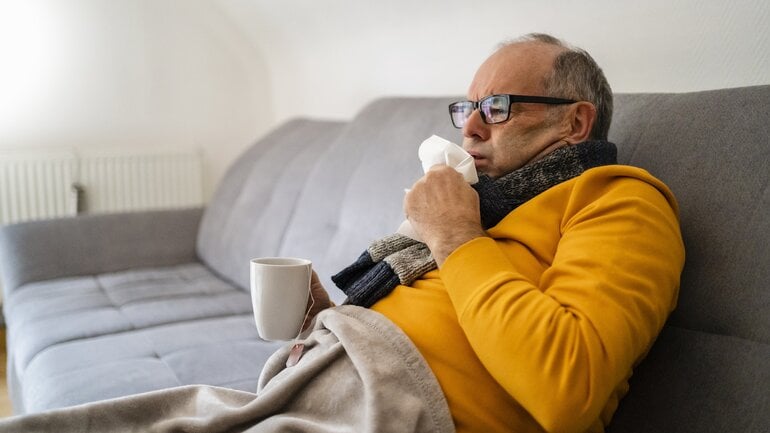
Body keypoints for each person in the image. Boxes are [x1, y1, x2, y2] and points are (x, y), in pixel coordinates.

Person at [310, 33, 685, 433]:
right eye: (468, 109)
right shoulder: (488, 205)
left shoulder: (621, 200)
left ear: (575, 122)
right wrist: (324, 322)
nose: (470, 128)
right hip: (323, 387)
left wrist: (454, 234)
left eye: (496, 108)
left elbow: (565, 387)